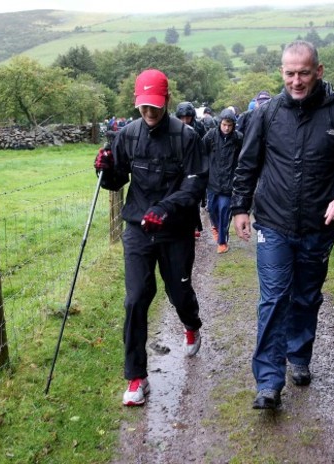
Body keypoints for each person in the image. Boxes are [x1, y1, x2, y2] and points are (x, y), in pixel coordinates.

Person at [231, 40, 334, 410]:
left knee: (306, 297)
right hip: (273, 224)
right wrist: (240, 208)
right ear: (282, 73)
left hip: (317, 227)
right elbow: (248, 164)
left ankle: (299, 355)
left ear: (318, 72)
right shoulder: (267, 114)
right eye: (290, 73)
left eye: (304, 73)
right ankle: (269, 382)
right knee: (274, 298)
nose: (296, 81)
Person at [94, 69, 208, 407]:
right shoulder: (127, 135)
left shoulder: (186, 138)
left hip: (175, 230)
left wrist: (167, 209)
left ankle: (192, 324)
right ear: (136, 102)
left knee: (179, 291)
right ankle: (136, 378)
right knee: (135, 300)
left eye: (155, 106)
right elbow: (116, 181)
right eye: (144, 106)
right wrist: (104, 169)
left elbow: (195, 184)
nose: (149, 113)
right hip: (139, 230)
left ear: (167, 101)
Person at [203, 108, 243, 254]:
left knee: (224, 211)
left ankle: (222, 241)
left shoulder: (238, 138)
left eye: (230, 125)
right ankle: (216, 227)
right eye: (224, 124)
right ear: (220, 123)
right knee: (212, 210)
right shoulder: (211, 136)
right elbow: (202, 153)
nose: (226, 128)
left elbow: (243, 158)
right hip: (212, 182)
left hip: (229, 183)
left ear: (233, 125)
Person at [175, 101, 207, 237]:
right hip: (178, 166)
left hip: (194, 165)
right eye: (182, 117)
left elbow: (204, 146)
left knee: (193, 199)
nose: (184, 120)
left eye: (187, 117)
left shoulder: (199, 127)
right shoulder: (173, 128)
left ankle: (193, 227)